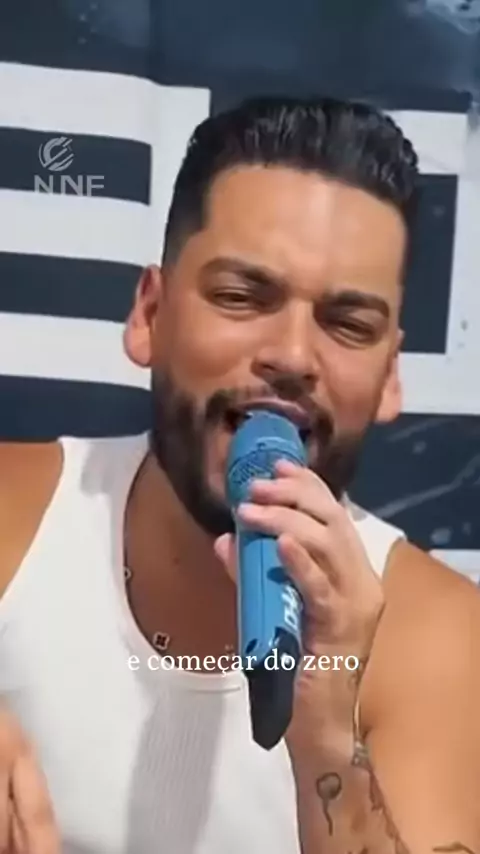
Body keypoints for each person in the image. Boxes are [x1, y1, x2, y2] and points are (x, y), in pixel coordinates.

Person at [1, 95, 480, 854]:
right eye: (240, 296)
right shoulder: (14, 518)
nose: (291, 356)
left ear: (391, 376)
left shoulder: (442, 640)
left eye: (347, 324)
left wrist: (328, 735)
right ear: (150, 316)